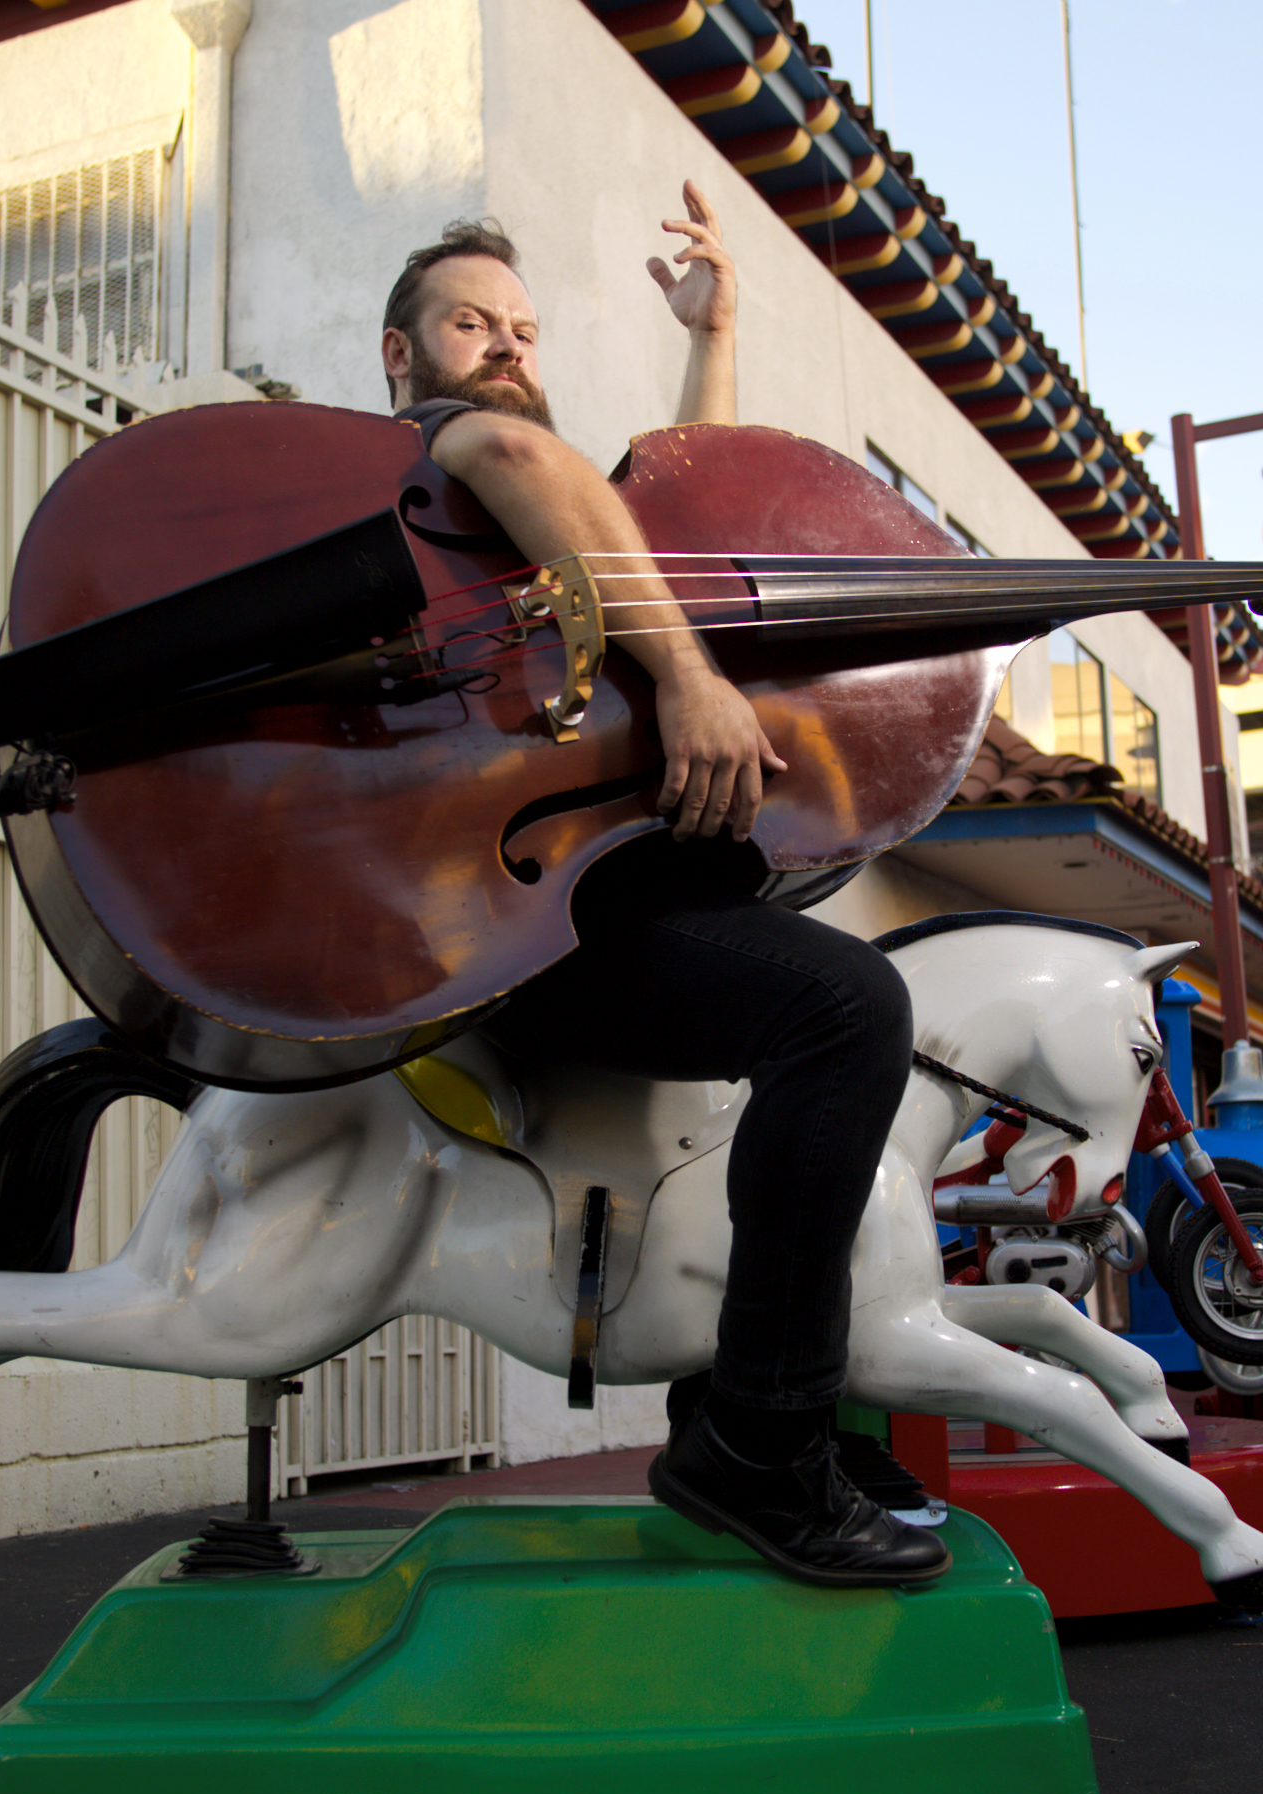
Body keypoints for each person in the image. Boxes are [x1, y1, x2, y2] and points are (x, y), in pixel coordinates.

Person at [377, 188, 947, 1587]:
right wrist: (687, 679)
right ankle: (758, 1443)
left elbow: (684, 518)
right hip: (536, 918)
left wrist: (713, 339)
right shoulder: (441, 460)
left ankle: (772, 1401)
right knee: (844, 1010)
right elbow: (521, 450)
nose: (506, 350)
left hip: (607, 881)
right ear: (402, 356)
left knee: (823, 989)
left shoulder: (556, 526)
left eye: (521, 328)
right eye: (470, 323)